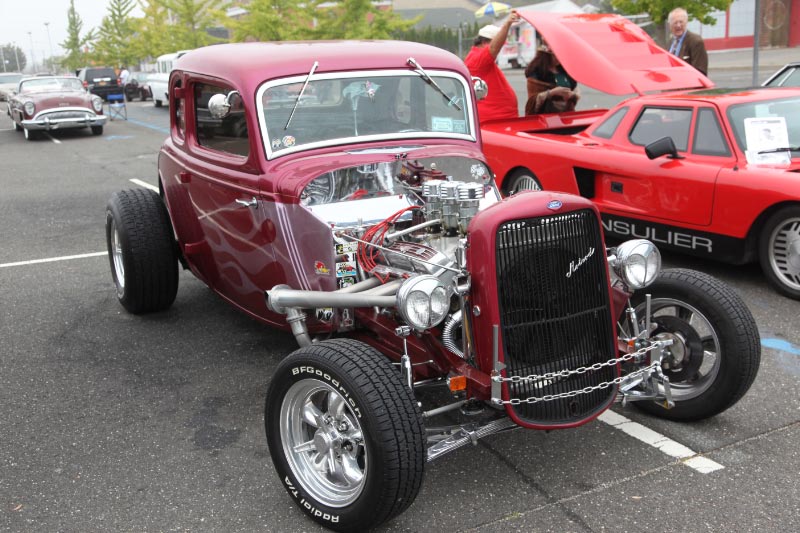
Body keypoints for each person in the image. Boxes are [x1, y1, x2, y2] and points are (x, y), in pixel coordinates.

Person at [464, 10, 521, 123]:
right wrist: (507, 24)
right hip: (494, 120)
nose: (500, 47)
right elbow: (494, 48)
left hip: (499, 118)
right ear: (484, 42)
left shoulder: (477, 57)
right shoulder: (478, 58)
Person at [523, 42, 579, 115]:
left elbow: (575, 90)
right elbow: (532, 102)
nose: (559, 58)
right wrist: (551, 93)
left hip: (567, 115)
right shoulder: (536, 74)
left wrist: (572, 95)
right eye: (555, 55)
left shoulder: (564, 71)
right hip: (547, 116)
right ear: (547, 56)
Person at [667, 8, 708, 75]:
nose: (678, 25)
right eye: (675, 23)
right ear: (670, 25)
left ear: (686, 22)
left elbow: (700, 71)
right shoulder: (671, 41)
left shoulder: (696, 41)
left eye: (681, 22)